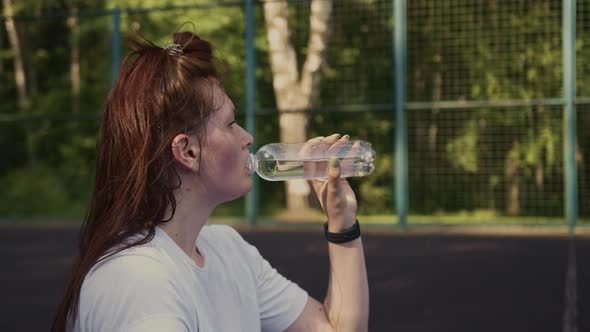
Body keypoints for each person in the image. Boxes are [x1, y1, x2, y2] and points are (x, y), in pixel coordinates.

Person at [52, 31, 369, 332]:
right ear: (188, 151)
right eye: (231, 123)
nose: (248, 137)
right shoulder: (138, 282)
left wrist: (342, 224)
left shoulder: (228, 250)